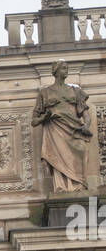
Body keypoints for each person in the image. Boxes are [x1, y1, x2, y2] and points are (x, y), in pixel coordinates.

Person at [32, 60, 92, 192]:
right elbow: (34, 121)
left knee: (82, 151)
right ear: (56, 71)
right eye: (64, 68)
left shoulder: (76, 91)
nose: (66, 70)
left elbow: (86, 114)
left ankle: (79, 185)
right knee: (58, 157)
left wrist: (86, 125)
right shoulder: (45, 93)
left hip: (75, 129)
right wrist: (45, 117)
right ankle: (62, 187)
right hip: (55, 130)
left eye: (67, 68)